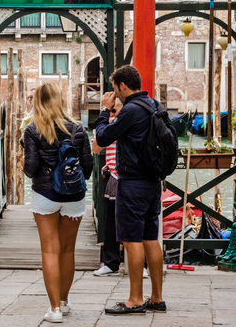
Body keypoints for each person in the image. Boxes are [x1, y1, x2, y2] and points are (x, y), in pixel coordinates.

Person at [95, 65, 166, 315]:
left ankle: (135, 299)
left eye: (115, 89)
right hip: (153, 182)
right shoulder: (154, 105)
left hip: (132, 183)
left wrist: (105, 110)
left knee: (132, 240)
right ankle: (156, 297)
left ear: (122, 86)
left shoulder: (131, 110)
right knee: (150, 238)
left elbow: (103, 138)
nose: (115, 93)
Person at [23, 83, 93, 323]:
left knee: (50, 250)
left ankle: (54, 310)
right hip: (74, 195)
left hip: (45, 194)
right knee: (68, 250)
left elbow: (30, 169)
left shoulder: (32, 130)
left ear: (37, 102)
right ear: (59, 100)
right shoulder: (78, 129)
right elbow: (88, 168)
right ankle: (63, 300)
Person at [92, 97, 122, 277]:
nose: (113, 115)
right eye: (111, 112)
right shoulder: (109, 126)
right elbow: (96, 148)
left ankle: (140, 265)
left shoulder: (129, 120)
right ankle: (111, 263)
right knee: (110, 222)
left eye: (115, 111)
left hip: (131, 176)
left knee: (133, 221)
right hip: (112, 175)